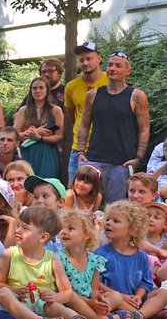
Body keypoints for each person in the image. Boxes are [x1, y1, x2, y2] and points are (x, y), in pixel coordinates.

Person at [0, 206, 88, 319]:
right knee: (3, 293)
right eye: (19, 226)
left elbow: (68, 292)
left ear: (43, 237)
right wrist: (15, 290)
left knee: (56, 306)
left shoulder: (52, 259)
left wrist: (54, 297)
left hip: (43, 304)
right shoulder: (9, 254)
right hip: (17, 301)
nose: (18, 230)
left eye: (25, 228)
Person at [77, 51, 150, 203]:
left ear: (128, 71)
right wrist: (80, 152)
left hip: (121, 163)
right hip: (93, 160)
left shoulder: (136, 96)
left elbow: (144, 128)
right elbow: (84, 124)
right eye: (110, 65)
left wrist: (138, 158)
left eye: (118, 66)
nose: (112, 68)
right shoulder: (93, 94)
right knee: (85, 207)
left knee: (115, 209)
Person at [96, 200, 167, 319]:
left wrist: (139, 296)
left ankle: (139, 315)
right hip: (113, 298)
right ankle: (146, 316)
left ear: (132, 230)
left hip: (135, 300)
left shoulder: (141, 256)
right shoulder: (100, 254)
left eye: (116, 221)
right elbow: (96, 283)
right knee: (113, 299)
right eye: (108, 219)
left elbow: (145, 283)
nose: (108, 223)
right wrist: (121, 296)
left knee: (162, 294)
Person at [57, 209, 114, 319]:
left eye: (70, 228)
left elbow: (94, 288)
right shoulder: (58, 259)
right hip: (70, 302)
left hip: (89, 302)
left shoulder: (94, 260)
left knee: (116, 296)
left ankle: (96, 313)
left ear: (86, 235)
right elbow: (63, 292)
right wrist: (90, 303)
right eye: (62, 228)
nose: (63, 232)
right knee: (70, 297)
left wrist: (96, 300)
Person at [64, 41, 108, 181]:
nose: (85, 62)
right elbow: (72, 116)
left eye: (89, 58)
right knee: (74, 192)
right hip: (79, 148)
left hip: (105, 147)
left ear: (99, 58)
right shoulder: (71, 86)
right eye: (81, 60)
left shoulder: (110, 80)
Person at [14, 77, 64, 179]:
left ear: (47, 90)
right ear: (30, 91)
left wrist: (40, 137)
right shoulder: (24, 110)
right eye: (34, 88)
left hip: (48, 153)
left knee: (47, 184)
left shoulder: (56, 110)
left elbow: (59, 136)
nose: (38, 91)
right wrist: (36, 132)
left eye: (41, 88)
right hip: (28, 152)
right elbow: (14, 135)